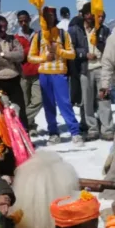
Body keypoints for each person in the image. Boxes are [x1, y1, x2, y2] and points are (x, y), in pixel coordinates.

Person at [28, 7, 83, 145]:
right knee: (48, 105)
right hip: (44, 74)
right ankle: (53, 133)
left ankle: (75, 132)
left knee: (65, 103)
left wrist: (58, 51)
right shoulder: (38, 36)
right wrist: (44, 58)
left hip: (59, 74)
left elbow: (72, 54)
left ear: (55, 17)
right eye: (46, 15)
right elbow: (30, 57)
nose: (49, 18)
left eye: (51, 15)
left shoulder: (63, 34)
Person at [69, 3, 114, 141]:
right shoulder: (75, 30)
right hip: (85, 68)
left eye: (92, 13)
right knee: (87, 101)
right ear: (83, 15)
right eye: (87, 13)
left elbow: (110, 47)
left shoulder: (103, 30)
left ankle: (107, 129)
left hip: (101, 67)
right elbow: (71, 49)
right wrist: (84, 54)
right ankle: (92, 128)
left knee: (104, 99)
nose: (90, 16)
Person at [0, 15, 28, 128]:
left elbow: (21, 55)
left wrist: (4, 54)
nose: (3, 29)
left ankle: (24, 135)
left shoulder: (12, 39)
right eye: (0, 26)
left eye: (5, 26)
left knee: (20, 109)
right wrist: (10, 60)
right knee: (0, 111)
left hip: (14, 79)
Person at [16, 10, 43, 134]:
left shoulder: (37, 35)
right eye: (21, 21)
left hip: (37, 72)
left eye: (25, 20)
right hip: (23, 73)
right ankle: (30, 125)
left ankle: (22, 121)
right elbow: (18, 55)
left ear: (29, 20)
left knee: (38, 100)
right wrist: (31, 49)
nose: (23, 23)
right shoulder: (16, 38)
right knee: (25, 102)